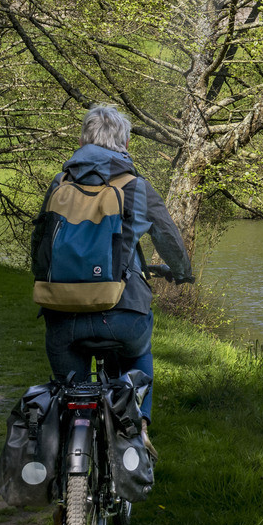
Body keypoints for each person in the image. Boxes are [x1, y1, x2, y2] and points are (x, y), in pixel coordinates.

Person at [35, 104, 192, 457]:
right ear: (123, 143)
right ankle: (139, 423)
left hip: (62, 314)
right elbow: (168, 238)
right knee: (138, 353)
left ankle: (65, 465)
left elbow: (40, 244)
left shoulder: (59, 184)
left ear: (83, 139)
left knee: (68, 390)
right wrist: (182, 272)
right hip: (122, 314)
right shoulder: (135, 186)